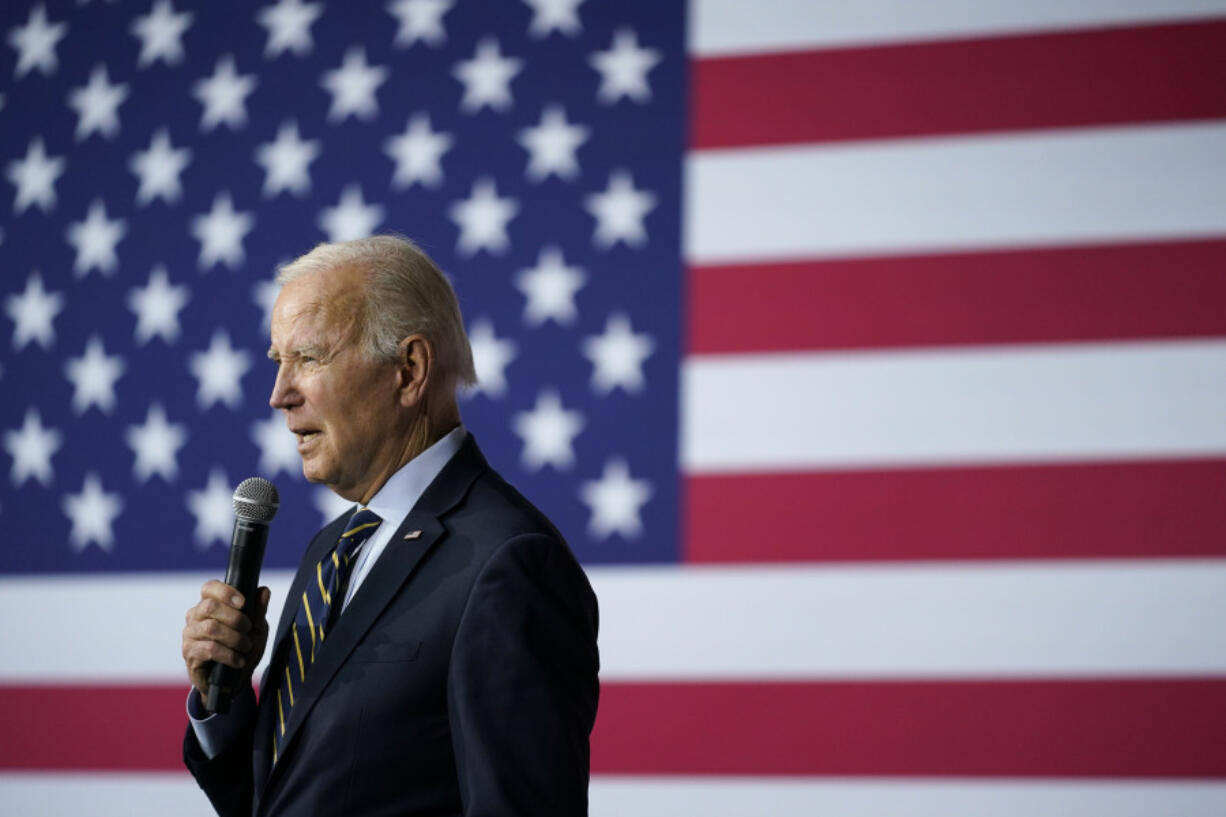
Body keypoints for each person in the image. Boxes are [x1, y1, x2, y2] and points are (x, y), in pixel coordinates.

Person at [180, 235, 600, 816]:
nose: (279, 395)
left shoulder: (508, 562)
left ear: (408, 370)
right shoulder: (330, 552)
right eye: (278, 363)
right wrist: (220, 700)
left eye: (309, 358)